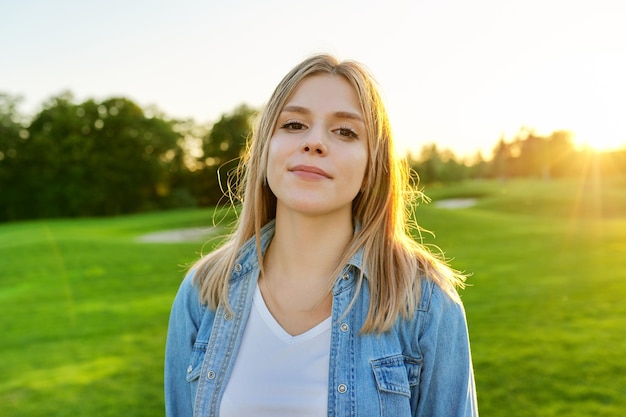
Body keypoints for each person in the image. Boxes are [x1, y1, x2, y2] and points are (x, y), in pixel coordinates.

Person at [165, 54, 478, 417]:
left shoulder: (425, 302)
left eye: (345, 131)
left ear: (371, 166)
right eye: (294, 124)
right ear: (266, 148)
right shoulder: (203, 293)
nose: (314, 142)